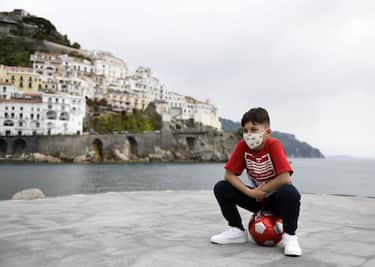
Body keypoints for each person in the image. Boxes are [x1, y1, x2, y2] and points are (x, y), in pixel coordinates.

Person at [210, 107, 302, 256]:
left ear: (267, 132)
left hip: (277, 201)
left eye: (254, 129)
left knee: (290, 193)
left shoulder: (274, 145)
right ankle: (236, 230)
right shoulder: (243, 146)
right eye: (245, 131)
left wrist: (263, 191)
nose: (249, 134)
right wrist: (251, 193)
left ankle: (290, 237)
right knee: (222, 187)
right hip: (256, 199)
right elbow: (229, 175)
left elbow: (285, 177)